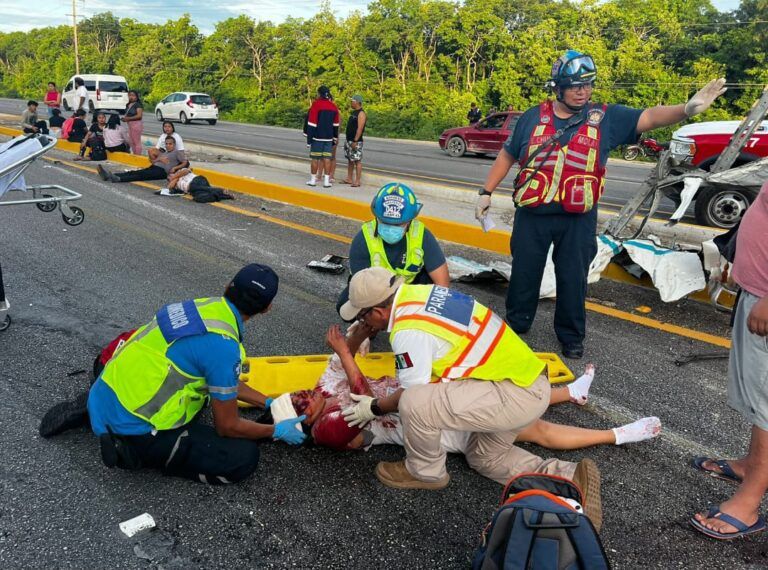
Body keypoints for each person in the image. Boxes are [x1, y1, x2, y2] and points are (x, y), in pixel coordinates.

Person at [476, 50, 727, 359]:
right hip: (532, 215)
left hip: (577, 219)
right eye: (575, 85)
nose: (583, 91)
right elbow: (508, 154)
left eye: (588, 84)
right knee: (525, 273)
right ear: (558, 87)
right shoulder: (532, 117)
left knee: (573, 278)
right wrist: (485, 192)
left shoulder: (605, 118)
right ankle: (517, 324)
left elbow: (648, 116)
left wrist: (687, 109)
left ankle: (570, 337)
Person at [338, 267, 604, 528]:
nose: (364, 325)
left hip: (511, 394)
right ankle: (571, 477)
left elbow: (411, 393)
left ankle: (425, 471)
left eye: (363, 319)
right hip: (526, 380)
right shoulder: (425, 294)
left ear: (377, 311)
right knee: (485, 459)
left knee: (414, 402)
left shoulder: (408, 331)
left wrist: (373, 408)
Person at [286, 323, 661, 457]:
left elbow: (345, 352)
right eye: (299, 403)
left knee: (507, 398)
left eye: (294, 394)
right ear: (305, 420)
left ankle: (569, 394)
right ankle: (617, 435)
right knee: (533, 430)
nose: (302, 393)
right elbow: (364, 397)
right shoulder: (326, 432)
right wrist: (344, 355)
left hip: (432, 395)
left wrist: (363, 328)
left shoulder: (319, 389)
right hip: (440, 427)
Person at [86, 263, 306, 484]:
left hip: (106, 391)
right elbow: (227, 426)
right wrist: (275, 431)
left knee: (202, 395)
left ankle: (96, 415)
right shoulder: (224, 346)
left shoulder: (198, 307)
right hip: (134, 429)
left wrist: (268, 402)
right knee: (244, 457)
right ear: (267, 308)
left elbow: (220, 376)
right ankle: (133, 452)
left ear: (228, 286)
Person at [691, 180, 768, 540]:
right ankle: (751, 465)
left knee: (767, 403)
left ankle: (749, 502)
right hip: (756, 291)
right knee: (758, 396)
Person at [337, 183, 449, 318]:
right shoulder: (363, 239)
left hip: (409, 291)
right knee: (347, 303)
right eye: (384, 222)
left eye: (397, 224)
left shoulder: (421, 235)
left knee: (430, 286)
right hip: (378, 295)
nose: (390, 228)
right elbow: (363, 289)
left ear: (409, 221)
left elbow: (442, 285)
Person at [97, 134, 188, 183]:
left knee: (141, 176)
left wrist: (175, 168)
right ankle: (111, 175)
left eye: (170, 144)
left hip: (162, 171)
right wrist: (159, 159)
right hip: (154, 167)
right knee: (136, 172)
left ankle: (119, 179)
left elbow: (185, 162)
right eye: (167, 144)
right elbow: (153, 161)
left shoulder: (177, 152)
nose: (168, 146)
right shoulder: (164, 152)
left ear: (174, 144)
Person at [306, 85, 340, 188]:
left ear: (319, 94)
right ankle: (326, 181)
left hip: (317, 137)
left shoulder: (316, 105)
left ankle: (313, 180)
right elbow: (336, 125)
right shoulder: (334, 107)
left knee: (315, 159)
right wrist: (334, 138)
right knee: (327, 158)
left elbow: (312, 123)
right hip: (329, 138)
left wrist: (309, 139)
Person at [161, 167, 234, 202]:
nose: (169, 178)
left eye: (170, 175)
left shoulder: (180, 171)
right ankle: (225, 196)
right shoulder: (174, 184)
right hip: (193, 190)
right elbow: (170, 187)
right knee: (198, 198)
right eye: (168, 178)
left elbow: (187, 170)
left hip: (197, 181)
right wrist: (175, 178)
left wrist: (175, 176)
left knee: (200, 187)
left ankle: (221, 190)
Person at [342, 94, 366, 187]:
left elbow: (360, 128)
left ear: (357, 102)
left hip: (356, 141)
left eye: (352, 101)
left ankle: (357, 181)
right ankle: (349, 178)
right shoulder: (354, 112)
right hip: (349, 140)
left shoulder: (361, 113)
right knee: (350, 160)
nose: (351, 102)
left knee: (357, 160)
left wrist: (355, 141)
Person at [123, 90, 144, 155]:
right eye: (130, 95)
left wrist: (128, 118)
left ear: (137, 97)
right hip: (130, 125)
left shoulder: (138, 105)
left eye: (133, 95)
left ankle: (138, 156)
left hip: (136, 124)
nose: (131, 97)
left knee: (136, 142)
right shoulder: (128, 104)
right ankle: (135, 154)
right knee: (131, 142)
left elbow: (139, 116)